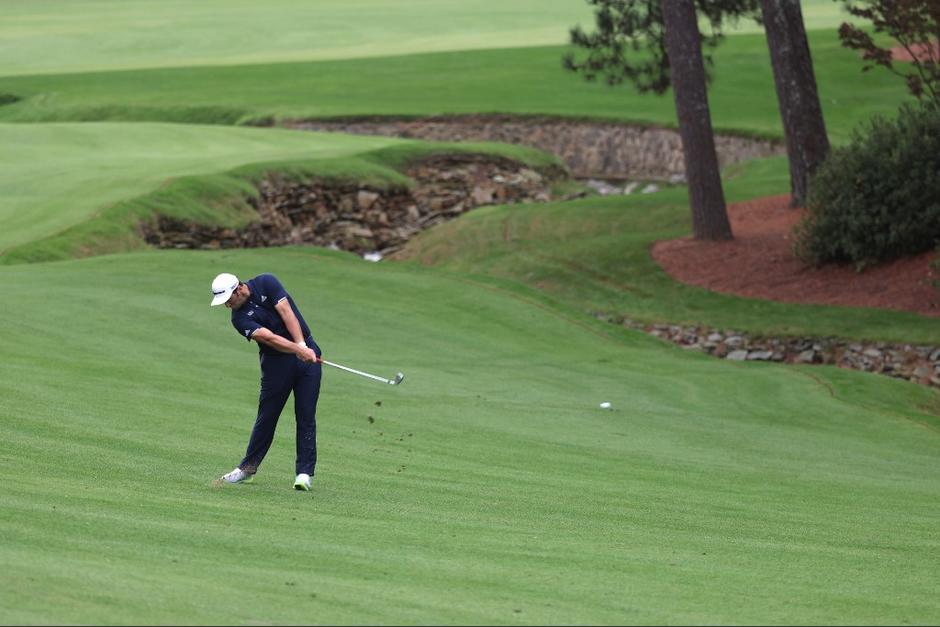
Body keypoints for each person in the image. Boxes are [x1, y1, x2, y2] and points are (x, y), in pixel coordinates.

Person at [210, 272, 322, 491]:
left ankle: (304, 473)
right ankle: (247, 469)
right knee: (267, 415)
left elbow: (285, 310)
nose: (227, 305)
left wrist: (302, 345)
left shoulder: (266, 282)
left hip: (307, 353)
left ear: (239, 289)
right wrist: (297, 349)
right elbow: (268, 337)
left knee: (306, 414)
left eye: (228, 300)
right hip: (276, 364)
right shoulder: (238, 318)